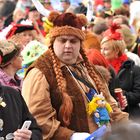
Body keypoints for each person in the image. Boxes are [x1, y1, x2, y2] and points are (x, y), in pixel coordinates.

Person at [22, 12, 128, 140]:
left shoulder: (87, 66)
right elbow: (38, 118)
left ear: (80, 44)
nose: (68, 46)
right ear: (53, 41)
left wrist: (126, 126)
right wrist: (71, 136)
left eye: (73, 41)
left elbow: (109, 101)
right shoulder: (40, 72)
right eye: (62, 40)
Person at [101, 23, 140, 119]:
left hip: (131, 117)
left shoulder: (133, 69)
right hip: (108, 116)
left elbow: (138, 95)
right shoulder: (102, 69)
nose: (102, 52)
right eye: (101, 48)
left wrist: (121, 94)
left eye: (105, 49)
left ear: (116, 51)